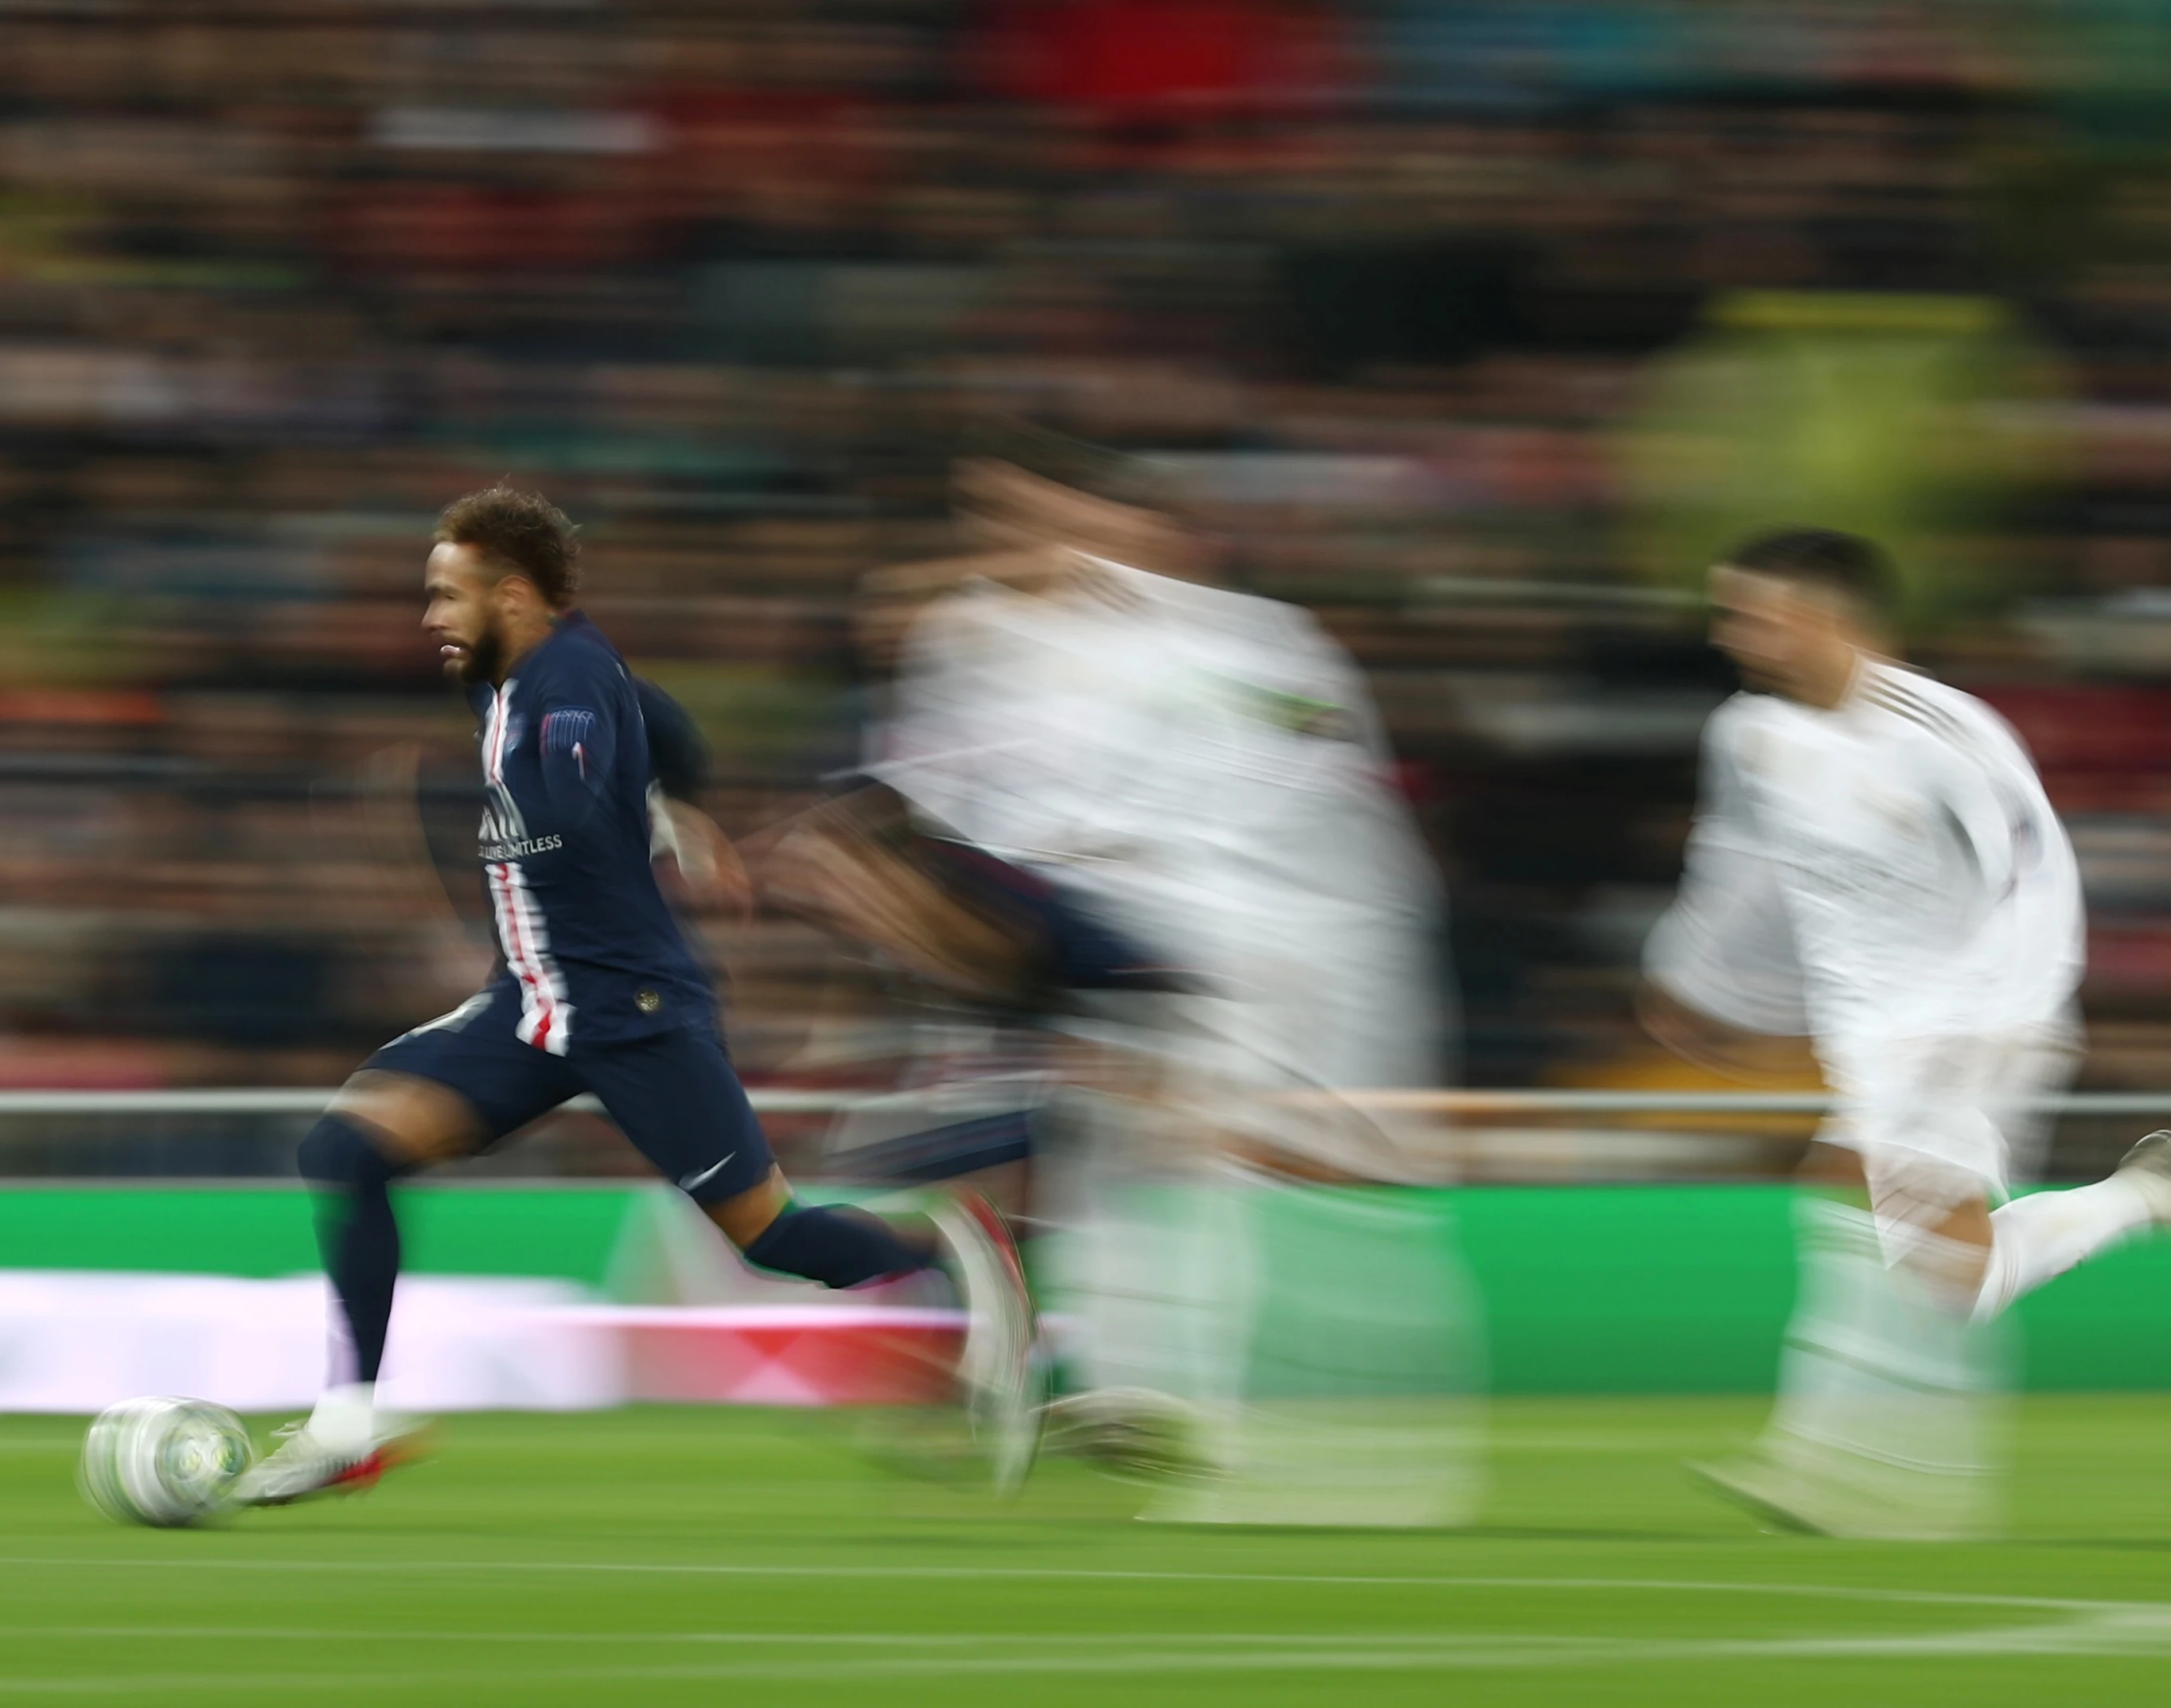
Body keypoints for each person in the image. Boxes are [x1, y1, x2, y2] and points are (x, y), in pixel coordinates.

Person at [234, 485, 1033, 1506]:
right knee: (345, 1148)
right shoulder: (507, 674)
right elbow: (663, 718)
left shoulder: (563, 682)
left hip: (629, 1013)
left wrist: (601, 812)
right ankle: (349, 1423)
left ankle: (949, 1249)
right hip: (530, 1011)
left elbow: (569, 798)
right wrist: (679, 803)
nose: (429, 617)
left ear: (512, 595)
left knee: (775, 1237)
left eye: (445, 596)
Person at [762, 426, 1482, 1526]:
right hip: (1107, 934)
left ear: (1123, 524)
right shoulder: (973, 644)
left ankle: (1215, 1402)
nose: (1006, 542)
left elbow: (1312, 799)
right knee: (1115, 1134)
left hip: (1275, 931)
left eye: (1029, 515)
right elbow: (949, 816)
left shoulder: (1255, 644)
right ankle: (1129, 1385)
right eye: (989, 520)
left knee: (1255, 1169)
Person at [1648, 525, 2169, 1538]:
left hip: (1972, 1019)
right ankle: (2138, 1196)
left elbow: (2032, 882)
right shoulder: (1750, 734)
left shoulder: (1944, 732)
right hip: (1864, 1032)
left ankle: (1812, 1467)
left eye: (1751, 612)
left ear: (1824, 616)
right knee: (1948, 1279)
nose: (1730, 633)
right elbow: (1735, 864)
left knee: (1840, 1188)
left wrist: (1997, 1024)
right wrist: (1696, 979)